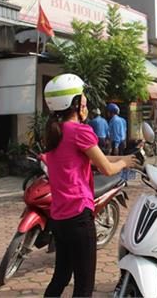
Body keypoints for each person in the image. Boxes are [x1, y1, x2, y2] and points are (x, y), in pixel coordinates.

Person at [42, 74, 137, 297]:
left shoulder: (55, 131)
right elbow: (107, 169)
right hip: (78, 217)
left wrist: (123, 158)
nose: (86, 101)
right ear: (75, 103)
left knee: (61, 277)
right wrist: (124, 162)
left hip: (59, 218)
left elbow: (96, 158)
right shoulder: (80, 131)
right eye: (82, 97)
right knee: (84, 286)